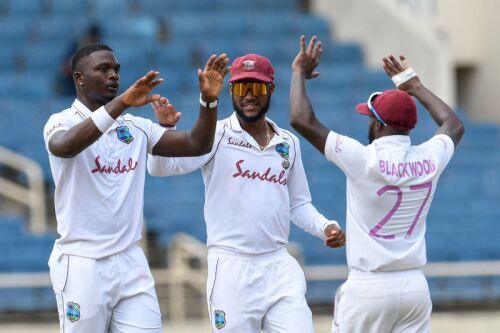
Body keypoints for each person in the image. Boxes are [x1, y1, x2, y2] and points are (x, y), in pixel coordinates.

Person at [147, 53, 346, 333]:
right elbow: (160, 168)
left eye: (257, 87)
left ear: (271, 90)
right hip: (232, 268)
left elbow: (298, 205)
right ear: (230, 91)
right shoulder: (214, 136)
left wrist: (325, 226)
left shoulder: (287, 142)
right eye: (241, 88)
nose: (249, 96)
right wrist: (166, 129)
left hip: (279, 264)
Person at [43, 43, 229, 332]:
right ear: (79, 78)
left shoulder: (136, 127)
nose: (113, 75)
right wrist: (123, 103)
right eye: (103, 69)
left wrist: (208, 101)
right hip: (82, 262)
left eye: (116, 69)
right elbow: (64, 147)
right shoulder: (61, 121)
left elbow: (197, 144)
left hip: (131, 262)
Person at [289, 36, 465, 333]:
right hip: (414, 288)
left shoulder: (363, 159)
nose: (368, 123)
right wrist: (416, 87)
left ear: (380, 124)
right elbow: (453, 124)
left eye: (371, 118)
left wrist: (297, 73)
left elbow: (300, 119)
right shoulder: (430, 158)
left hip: (368, 288)